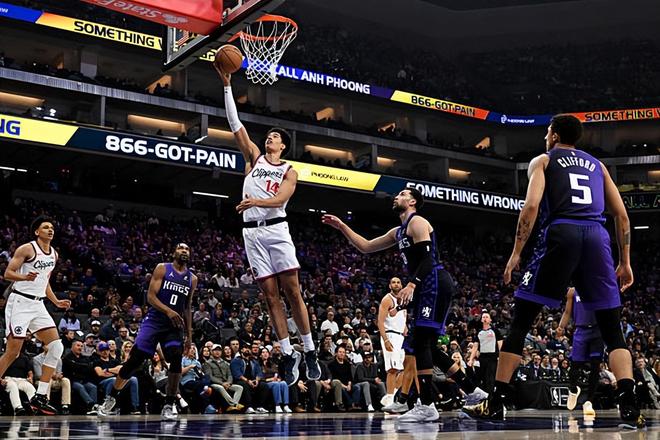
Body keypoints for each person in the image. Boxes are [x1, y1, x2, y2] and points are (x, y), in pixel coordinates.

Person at [463, 114, 644, 428]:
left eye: (547, 131)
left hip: (562, 232)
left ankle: (496, 401)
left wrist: (516, 252)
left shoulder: (544, 160)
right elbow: (622, 216)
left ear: (555, 135)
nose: (545, 137)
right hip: (597, 237)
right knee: (612, 330)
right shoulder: (598, 166)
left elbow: (531, 206)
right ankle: (629, 405)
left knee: (521, 322)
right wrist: (625, 261)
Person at [323, 188, 477, 422]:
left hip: (433, 281)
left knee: (419, 343)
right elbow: (366, 246)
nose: (397, 196)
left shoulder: (418, 222)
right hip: (426, 285)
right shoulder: (398, 232)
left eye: (403, 194)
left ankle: (427, 404)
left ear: (413, 201)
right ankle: (474, 391)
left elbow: (428, 259)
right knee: (427, 346)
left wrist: (412, 284)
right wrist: (342, 226)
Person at [216, 67, 320, 385]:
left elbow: (281, 200)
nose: (269, 138)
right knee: (270, 297)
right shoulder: (254, 158)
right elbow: (235, 124)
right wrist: (227, 86)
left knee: (293, 292)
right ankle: (288, 353)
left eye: (275, 137)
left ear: (283, 146)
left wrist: (255, 202)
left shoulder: (289, 170)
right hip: (252, 233)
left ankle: (310, 349)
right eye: (269, 136)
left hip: (276, 228)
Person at [97, 244, 197, 420]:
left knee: (175, 357)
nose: (184, 251)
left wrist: (189, 336)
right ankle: (111, 398)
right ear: (174, 252)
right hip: (154, 321)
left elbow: (187, 307)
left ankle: (169, 404)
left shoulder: (192, 278)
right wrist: (168, 311)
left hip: (174, 325)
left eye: (187, 249)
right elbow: (151, 297)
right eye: (180, 248)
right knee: (135, 360)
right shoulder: (162, 268)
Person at [1, 216, 70, 415]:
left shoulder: (54, 254)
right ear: (37, 232)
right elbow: (8, 273)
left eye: (52, 227)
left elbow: (44, 281)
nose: (50, 230)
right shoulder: (27, 249)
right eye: (45, 227)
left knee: (56, 346)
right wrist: (24, 276)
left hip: (38, 304)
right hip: (20, 302)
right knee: (13, 352)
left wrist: (55, 301)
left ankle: (40, 396)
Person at [558, 287, 601, 416]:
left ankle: (589, 401)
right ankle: (573, 389)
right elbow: (567, 312)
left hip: (597, 330)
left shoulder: (598, 288)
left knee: (595, 365)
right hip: (580, 330)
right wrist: (561, 326)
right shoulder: (573, 291)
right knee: (575, 365)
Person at [377, 277, 406, 408]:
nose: (396, 284)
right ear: (389, 286)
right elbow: (380, 322)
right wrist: (386, 339)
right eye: (393, 282)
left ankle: (391, 395)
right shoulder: (387, 299)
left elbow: (402, 317)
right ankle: (389, 400)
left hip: (401, 336)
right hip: (390, 335)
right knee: (392, 369)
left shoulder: (404, 300)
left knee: (406, 368)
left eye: (398, 282)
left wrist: (405, 327)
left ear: (402, 285)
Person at [468, 312, 503, 394]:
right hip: (482, 357)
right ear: (481, 320)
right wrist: (470, 359)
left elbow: (500, 345)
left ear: (490, 320)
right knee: (483, 378)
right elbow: (475, 347)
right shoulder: (479, 332)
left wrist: (501, 357)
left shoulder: (495, 331)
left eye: (487, 317)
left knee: (490, 378)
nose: (485, 318)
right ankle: (484, 396)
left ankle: (490, 397)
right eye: (483, 317)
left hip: (492, 357)